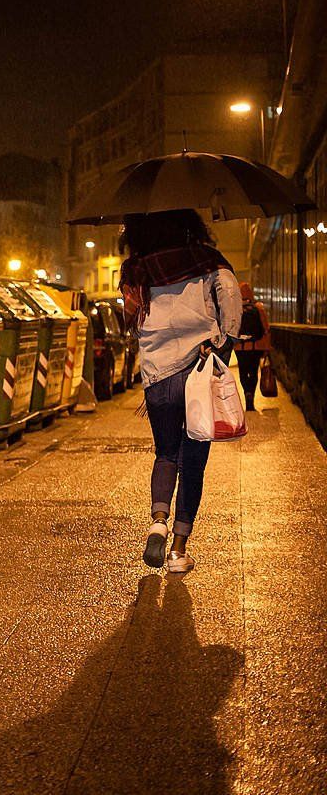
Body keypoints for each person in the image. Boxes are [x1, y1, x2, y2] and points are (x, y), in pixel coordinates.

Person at [119, 209, 242, 575]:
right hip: (197, 370)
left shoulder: (136, 267)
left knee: (165, 453)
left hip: (157, 376)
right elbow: (231, 299)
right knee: (194, 463)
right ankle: (178, 549)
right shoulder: (206, 259)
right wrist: (224, 344)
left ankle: (157, 519)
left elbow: (130, 316)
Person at [234, 282, 271, 411]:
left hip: (240, 347)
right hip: (256, 346)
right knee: (254, 371)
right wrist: (267, 347)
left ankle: (246, 394)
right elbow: (266, 329)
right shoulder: (258, 308)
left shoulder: (235, 309)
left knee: (243, 371)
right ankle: (252, 397)